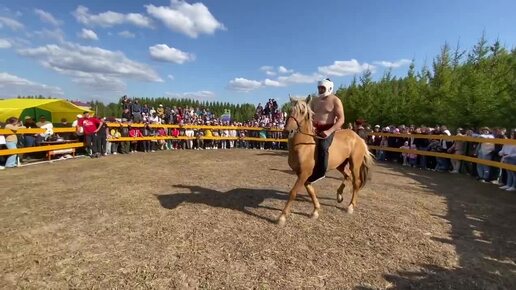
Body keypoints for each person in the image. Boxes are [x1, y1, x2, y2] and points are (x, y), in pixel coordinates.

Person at [308, 78, 345, 183]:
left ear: (329, 88)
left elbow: (341, 119)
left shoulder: (335, 100)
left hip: (328, 129)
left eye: (322, 88)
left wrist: (329, 131)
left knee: (323, 147)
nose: (320, 90)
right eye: (319, 88)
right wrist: (311, 126)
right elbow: (310, 115)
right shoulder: (314, 100)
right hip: (314, 128)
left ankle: (320, 173)